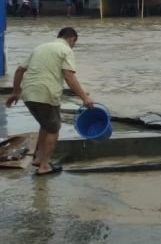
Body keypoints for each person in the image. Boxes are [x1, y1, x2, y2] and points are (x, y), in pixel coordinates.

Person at [4, 27, 95, 177]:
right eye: (74, 43)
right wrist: (85, 98)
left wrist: (15, 92)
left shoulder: (40, 48)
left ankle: (39, 158)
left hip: (28, 95)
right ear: (72, 39)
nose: (73, 46)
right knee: (53, 129)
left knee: (45, 124)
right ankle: (44, 166)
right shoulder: (66, 50)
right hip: (46, 94)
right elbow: (69, 77)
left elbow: (19, 70)